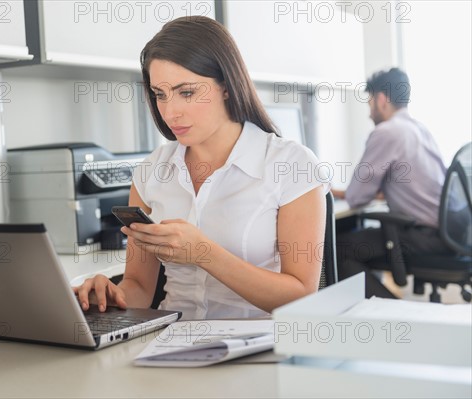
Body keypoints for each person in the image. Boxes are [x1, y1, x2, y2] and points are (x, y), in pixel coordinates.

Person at [75, 16, 329, 319]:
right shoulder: (151, 171)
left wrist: (204, 254)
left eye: (187, 93)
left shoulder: (291, 165)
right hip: (170, 343)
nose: (170, 111)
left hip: (258, 348)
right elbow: (140, 287)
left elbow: (300, 296)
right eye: (160, 95)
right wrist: (111, 295)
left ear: (225, 86)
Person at [332, 67, 451, 298]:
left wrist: (332, 191)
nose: (369, 113)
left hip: (422, 235)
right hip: (445, 232)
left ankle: (395, 312)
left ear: (382, 99)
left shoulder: (387, 132)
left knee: (335, 251)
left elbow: (357, 196)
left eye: (370, 103)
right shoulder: (419, 129)